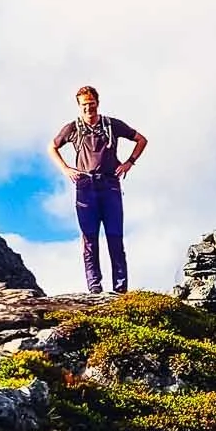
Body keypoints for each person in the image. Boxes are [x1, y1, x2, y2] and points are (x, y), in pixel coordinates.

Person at [48, 86, 148, 295]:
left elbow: (141, 139)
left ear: (97, 103)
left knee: (115, 238)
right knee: (89, 239)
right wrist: (66, 169)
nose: (88, 108)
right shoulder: (72, 128)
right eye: (84, 105)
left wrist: (129, 162)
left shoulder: (112, 124)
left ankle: (120, 289)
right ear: (79, 106)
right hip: (85, 186)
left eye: (91, 103)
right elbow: (52, 147)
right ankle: (94, 288)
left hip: (110, 185)